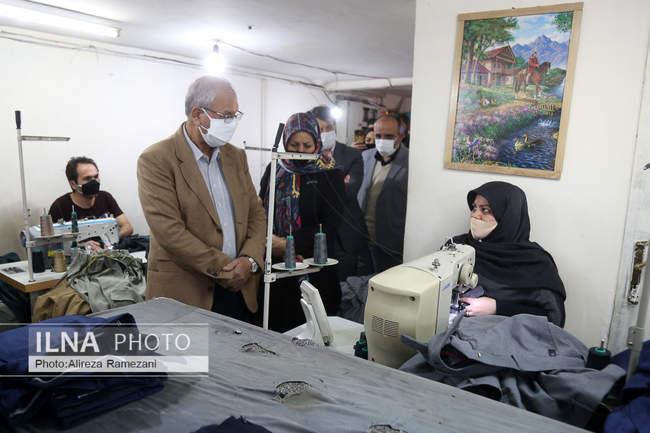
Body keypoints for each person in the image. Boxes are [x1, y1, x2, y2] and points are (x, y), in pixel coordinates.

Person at [137, 76, 266, 323]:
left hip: (240, 288)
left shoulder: (236, 157)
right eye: (226, 116)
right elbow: (169, 231)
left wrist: (249, 261)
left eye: (235, 116)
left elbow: (256, 215)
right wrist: (226, 269)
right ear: (197, 115)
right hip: (186, 294)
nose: (232, 123)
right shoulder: (157, 159)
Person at [259, 112, 345, 332]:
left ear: (317, 143)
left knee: (313, 332)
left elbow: (330, 225)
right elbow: (260, 212)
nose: (300, 151)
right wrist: (271, 243)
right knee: (278, 330)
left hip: (315, 269)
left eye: (307, 145)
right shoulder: (275, 169)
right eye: (294, 145)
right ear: (285, 142)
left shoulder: (330, 175)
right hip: (277, 269)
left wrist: (287, 244)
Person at [453, 181, 566, 327]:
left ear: (509, 215)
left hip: (512, 338)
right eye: (474, 208)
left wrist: (497, 308)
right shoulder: (459, 246)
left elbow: (553, 319)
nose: (476, 215)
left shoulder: (536, 262)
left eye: (485, 210)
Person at [309, 105, 368, 280]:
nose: (325, 132)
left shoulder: (352, 155)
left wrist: (317, 185)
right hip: (314, 235)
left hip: (345, 235)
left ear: (335, 126)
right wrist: (339, 181)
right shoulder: (306, 155)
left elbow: (350, 191)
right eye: (320, 129)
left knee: (345, 284)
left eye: (329, 127)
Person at [357, 115, 409, 273]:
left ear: (400, 136)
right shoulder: (365, 157)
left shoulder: (411, 161)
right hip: (361, 239)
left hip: (391, 242)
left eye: (388, 136)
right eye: (378, 136)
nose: (382, 140)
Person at [49, 156, 133, 250]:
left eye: (96, 177)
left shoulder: (105, 197)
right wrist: (81, 246)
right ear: (73, 184)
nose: (94, 182)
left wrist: (108, 241)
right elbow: (52, 243)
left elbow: (127, 227)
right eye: (87, 178)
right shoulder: (59, 206)